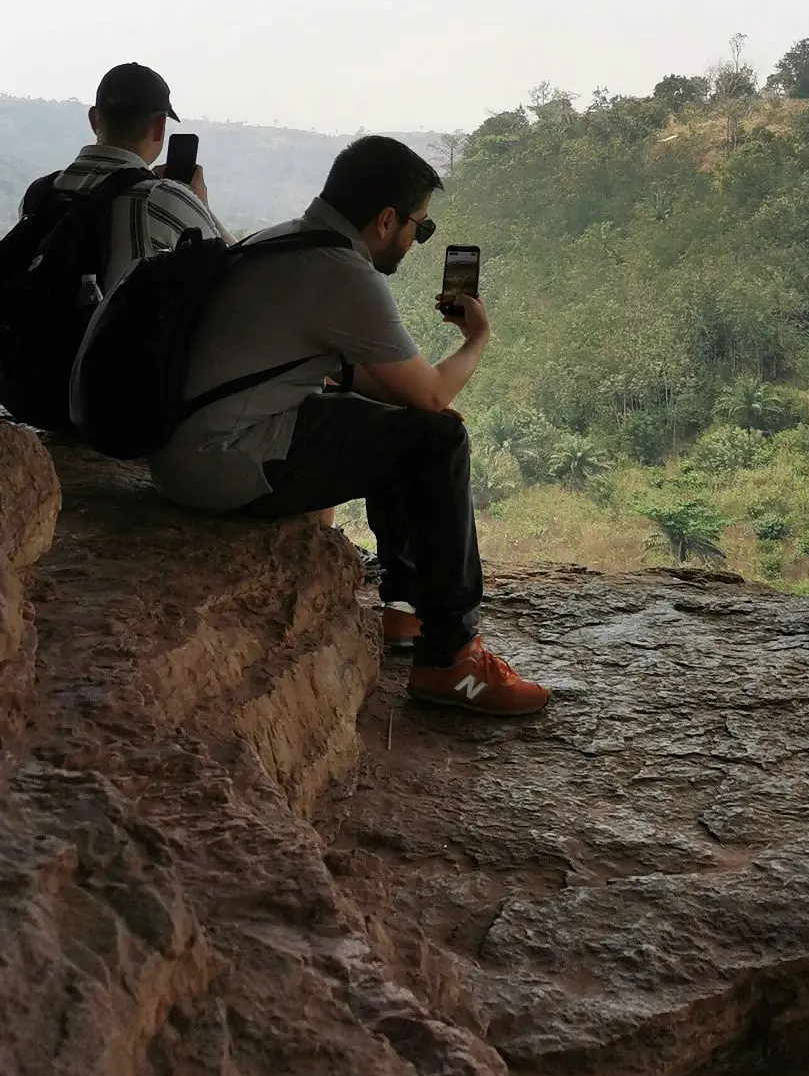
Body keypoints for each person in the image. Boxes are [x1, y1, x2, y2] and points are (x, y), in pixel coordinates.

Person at [148, 135, 548, 717]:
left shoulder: (281, 241)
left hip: (186, 451)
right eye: (420, 227)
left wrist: (413, 406)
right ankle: (453, 658)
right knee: (439, 440)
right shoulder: (340, 272)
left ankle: (406, 609)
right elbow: (433, 397)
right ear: (387, 220)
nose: (418, 239)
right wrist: (477, 337)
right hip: (221, 462)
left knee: (404, 427)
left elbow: (376, 383)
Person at [35, 61, 225, 289]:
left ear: (95, 120)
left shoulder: (40, 192)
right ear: (159, 127)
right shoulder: (159, 197)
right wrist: (201, 204)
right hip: (109, 326)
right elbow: (238, 268)